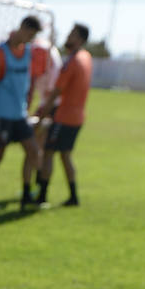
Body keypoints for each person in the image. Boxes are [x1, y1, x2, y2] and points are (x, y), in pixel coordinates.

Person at [0, 14, 42, 209]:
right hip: (3, 115)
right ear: (22, 28)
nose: (30, 39)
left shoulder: (28, 52)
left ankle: (27, 194)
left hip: (20, 115)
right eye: (29, 34)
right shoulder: (1, 53)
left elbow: (28, 82)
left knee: (33, 151)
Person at [34, 24, 93, 208]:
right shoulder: (86, 57)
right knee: (65, 155)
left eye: (72, 35)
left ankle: (42, 196)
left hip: (64, 116)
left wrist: (43, 115)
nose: (68, 37)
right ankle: (73, 196)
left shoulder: (73, 61)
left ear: (81, 39)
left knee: (48, 153)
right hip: (78, 116)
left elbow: (56, 91)